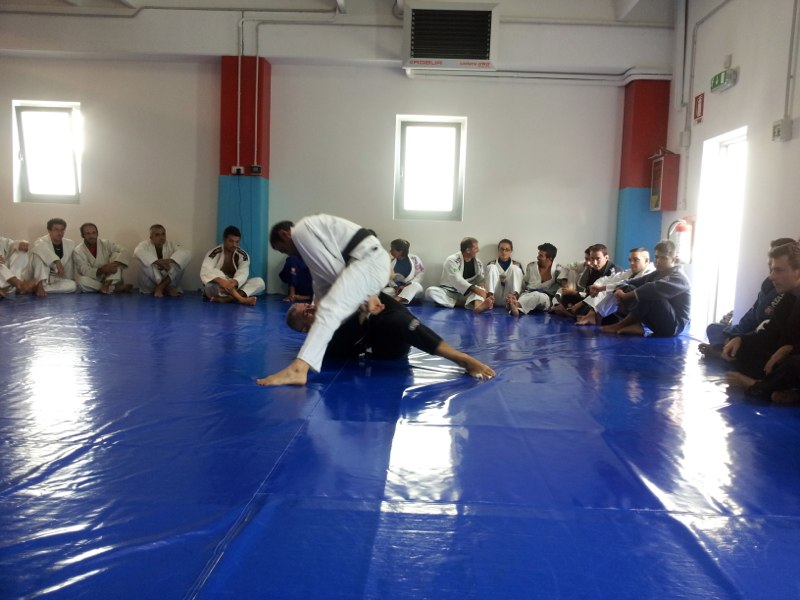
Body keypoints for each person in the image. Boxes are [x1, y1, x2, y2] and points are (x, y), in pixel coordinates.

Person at [257, 215, 391, 386]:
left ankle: (298, 369)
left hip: (369, 262)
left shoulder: (300, 232)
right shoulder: (311, 233)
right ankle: (303, 365)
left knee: (330, 307)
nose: (288, 254)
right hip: (368, 264)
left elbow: (334, 272)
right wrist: (318, 307)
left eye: (283, 250)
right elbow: (320, 283)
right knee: (328, 308)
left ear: (285, 234)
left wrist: (365, 296)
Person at [286, 292, 495, 380]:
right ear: (306, 329)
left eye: (308, 305)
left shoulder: (327, 303)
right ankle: (461, 359)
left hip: (390, 317)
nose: (312, 308)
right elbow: (350, 340)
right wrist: (362, 313)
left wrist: (368, 298)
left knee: (388, 308)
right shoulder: (325, 344)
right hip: (385, 346)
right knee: (397, 321)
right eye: (307, 313)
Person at [721, 242, 800, 393]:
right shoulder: (788, 298)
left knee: (792, 365)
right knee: (743, 349)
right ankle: (782, 388)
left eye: (778, 270)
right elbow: (770, 332)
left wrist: (790, 349)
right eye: (772, 270)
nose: (771, 277)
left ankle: (759, 386)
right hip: (781, 357)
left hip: (793, 359)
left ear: (798, 271)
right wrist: (741, 339)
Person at [699, 236, 796, 358]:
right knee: (714, 328)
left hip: (760, 332)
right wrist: (739, 336)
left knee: (762, 351)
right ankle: (728, 351)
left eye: (778, 269)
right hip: (752, 331)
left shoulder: (786, 293)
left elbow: (767, 326)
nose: (770, 263)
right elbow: (754, 313)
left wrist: (788, 349)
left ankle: (725, 352)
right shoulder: (769, 284)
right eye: (770, 257)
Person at [600, 240, 690, 337]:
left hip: (673, 326)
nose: (658, 261)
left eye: (664, 258)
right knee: (628, 287)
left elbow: (653, 288)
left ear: (674, 259)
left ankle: (620, 325)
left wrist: (625, 296)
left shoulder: (679, 277)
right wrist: (617, 289)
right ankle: (636, 324)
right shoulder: (657, 273)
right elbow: (633, 281)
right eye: (656, 257)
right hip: (657, 323)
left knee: (649, 294)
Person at [576, 247, 655, 326]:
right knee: (608, 287)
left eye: (636, 260)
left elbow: (624, 284)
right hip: (625, 305)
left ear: (646, 260)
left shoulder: (650, 272)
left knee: (619, 289)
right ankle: (591, 315)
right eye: (630, 260)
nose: (631, 263)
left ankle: (594, 316)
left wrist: (601, 288)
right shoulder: (630, 271)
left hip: (643, 308)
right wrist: (596, 286)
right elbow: (608, 279)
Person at [200, 225, 265, 306]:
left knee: (259, 282)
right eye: (231, 241)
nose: (234, 244)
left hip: (234, 287)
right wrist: (223, 282)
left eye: (237, 242)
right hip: (218, 287)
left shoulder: (243, 255)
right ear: (224, 240)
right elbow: (205, 270)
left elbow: (243, 272)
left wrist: (234, 282)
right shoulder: (214, 253)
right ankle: (241, 298)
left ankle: (228, 298)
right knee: (215, 274)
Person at [424, 237, 493, 313]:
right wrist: (476, 289)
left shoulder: (478, 263)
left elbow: (480, 279)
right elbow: (456, 279)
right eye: (476, 248)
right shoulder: (452, 260)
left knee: (480, 291)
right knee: (430, 292)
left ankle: (478, 307)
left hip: (466, 293)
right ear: (468, 250)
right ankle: (466, 304)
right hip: (449, 292)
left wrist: (484, 291)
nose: (478, 250)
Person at [552, 243, 618, 318]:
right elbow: (588, 292)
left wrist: (581, 303)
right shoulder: (594, 269)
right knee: (567, 296)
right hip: (590, 298)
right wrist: (567, 287)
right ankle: (567, 309)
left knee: (593, 303)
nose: (594, 262)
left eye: (598, 258)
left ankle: (569, 313)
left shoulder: (614, 271)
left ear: (606, 257)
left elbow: (604, 296)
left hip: (606, 303)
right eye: (592, 258)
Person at [73, 223, 133, 294]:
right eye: (87, 233)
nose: (91, 236)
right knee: (81, 281)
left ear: (97, 233)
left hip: (112, 277)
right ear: (82, 235)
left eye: (94, 233)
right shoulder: (78, 250)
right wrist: (103, 270)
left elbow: (125, 251)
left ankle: (107, 284)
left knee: (116, 254)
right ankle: (114, 288)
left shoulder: (106, 243)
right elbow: (84, 270)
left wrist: (113, 264)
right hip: (95, 279)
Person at [133, 224, 191, 297]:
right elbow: (137, 251)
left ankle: (161, 287)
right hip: (151, 285)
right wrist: (158, 262)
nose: (161, 237)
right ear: (151, 237)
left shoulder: (171, 244)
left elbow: (186, 253)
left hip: (169, 281)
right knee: (144, 261)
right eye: (157, 235)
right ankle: (165, 288)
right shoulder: (144, 245)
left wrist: (169, 260)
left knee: (180, 261)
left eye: (163, 234)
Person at [507, 242, 560, 316]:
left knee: (538, 296)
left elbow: (560, 291)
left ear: (550, 258)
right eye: (538, 254)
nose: (537, 257)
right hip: (527, 294)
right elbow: (523, 284)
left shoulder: (558, 270)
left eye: (541, 256)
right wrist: (516, 295)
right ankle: (516, 309)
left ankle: (516, 305)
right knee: (526, 298)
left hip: (545, 299)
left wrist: (555, 305)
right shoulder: (531, 266)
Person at [29, 218, 77, 296]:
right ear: (49, 230)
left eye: (62, 230)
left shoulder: (70, 243)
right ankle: (39, 285)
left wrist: (68, 278)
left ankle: (38, 288)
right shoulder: (40, 242)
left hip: (56, 279)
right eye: (56, 230)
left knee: (73, 285)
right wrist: (56, 260)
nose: (60, 233)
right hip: (40, 278)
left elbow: (70, 265)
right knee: (37, 254)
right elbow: (39, 247)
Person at [484, 239, 523, 311]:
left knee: (514, 268)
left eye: (507, 250)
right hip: (495, 296)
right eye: (501, 249)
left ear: (511, 251)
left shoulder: (517, 265)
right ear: (498, 250)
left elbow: (521, 284)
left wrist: (513, 296)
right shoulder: (491, 264)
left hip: (509, 297)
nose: (504, 252)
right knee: (491, 267)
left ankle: (513, 300)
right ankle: (490, 300)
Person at [382, 238, 425, 304]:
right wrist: (395, 287)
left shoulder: (414, 258)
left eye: (392, 249)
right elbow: (388, 277)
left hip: (410, 288)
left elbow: (420, 275)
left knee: (416, 285)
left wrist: (406, 286)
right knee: (383, 292)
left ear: (400, 251)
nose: (390, 251)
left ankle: (396, 300)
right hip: (397, 290)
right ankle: (401, 299)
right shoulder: (390, 260)